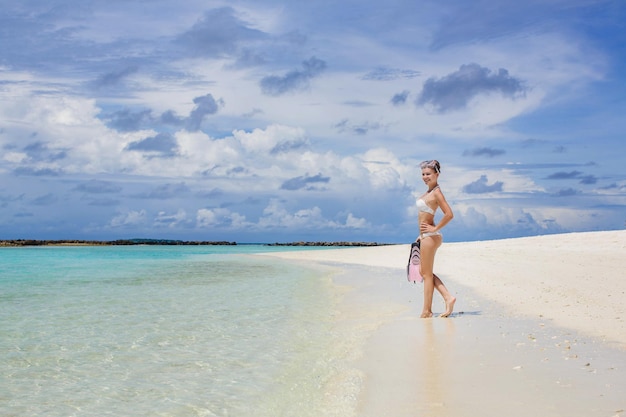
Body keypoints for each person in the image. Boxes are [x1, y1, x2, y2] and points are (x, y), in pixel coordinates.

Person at [416, 160, 456, 318]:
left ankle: (427, 310)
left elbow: (449, 214)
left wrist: (434, 228)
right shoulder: (428, 193)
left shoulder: (437, 192)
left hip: (431, 236)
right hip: (425, 236)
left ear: (437, 174)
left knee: (426, 274)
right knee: (424, 272)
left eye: (428, 174)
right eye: (423, 174)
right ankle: (448, 297)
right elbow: (424, 218)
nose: (425, 177)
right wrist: (420, 234)